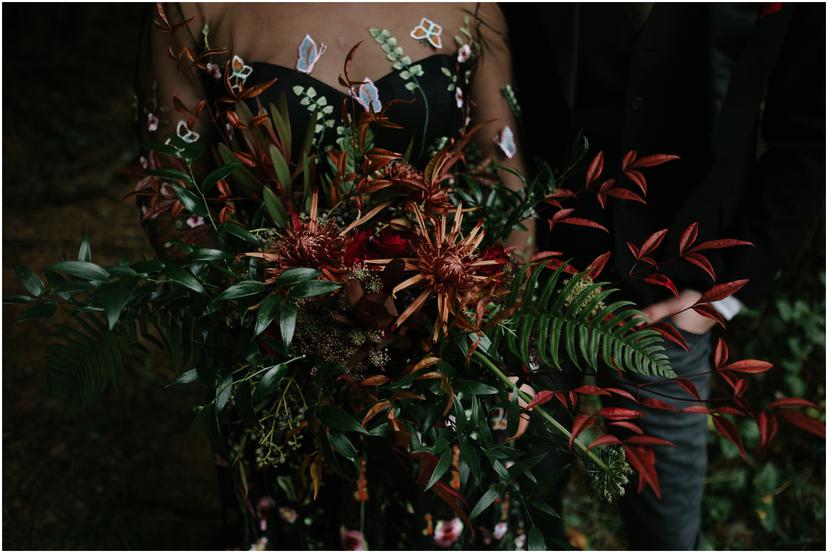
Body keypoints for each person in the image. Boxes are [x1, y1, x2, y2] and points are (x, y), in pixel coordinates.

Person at [134, 3, 533, 548]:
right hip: (283, 364)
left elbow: (504, 176)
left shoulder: (473, 4)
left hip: (443, 362)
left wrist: (491, 327)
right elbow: (172, 193)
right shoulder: (189, 8)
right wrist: (283, 320)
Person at [504, 3, 825, 549]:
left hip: (675, 295)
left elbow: (810, 133)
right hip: (534, 276)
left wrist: (722, 296)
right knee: (518, 512)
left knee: (667, 529)